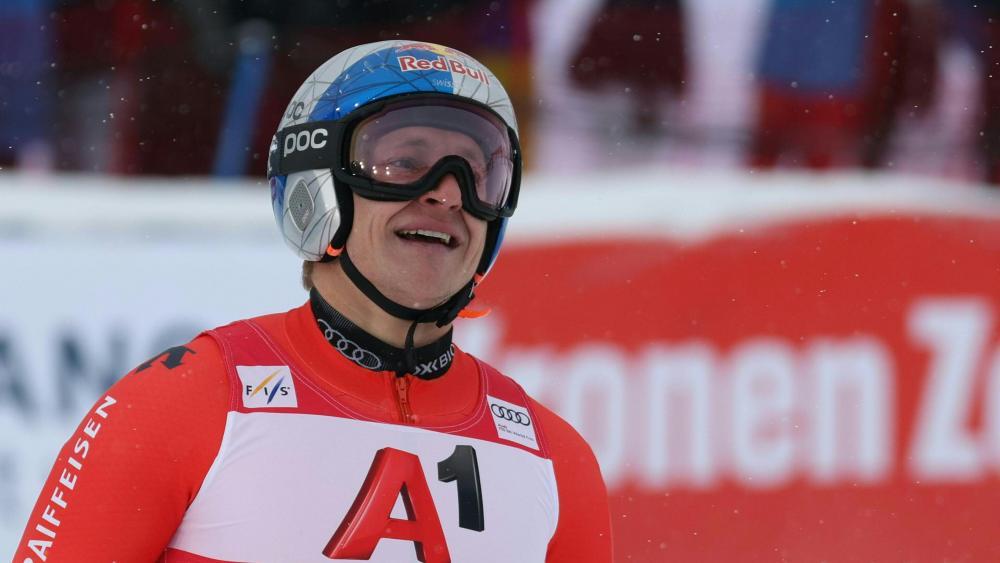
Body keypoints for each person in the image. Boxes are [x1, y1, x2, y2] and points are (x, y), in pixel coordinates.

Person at [14, 40, 613, 562]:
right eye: (405, 162)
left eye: (479, 172)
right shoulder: (186, 402)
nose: (447, 194)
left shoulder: (555, 460)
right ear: (319, 185)